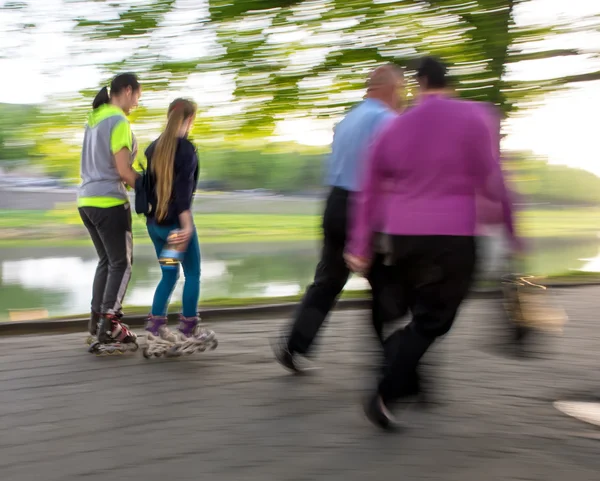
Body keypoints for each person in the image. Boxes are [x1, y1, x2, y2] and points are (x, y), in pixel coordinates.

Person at [344, 57, 518, 429]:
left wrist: (360, 242)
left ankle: (405, 376)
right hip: (453, 236)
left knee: (419, 313)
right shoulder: (476, 117)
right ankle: (387, 386)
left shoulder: (395, 126)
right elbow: (493, 178)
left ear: (419, 84)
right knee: (434, 320)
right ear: (448, 83)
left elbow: (370, 188)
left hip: (403, 237)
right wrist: (510, 228)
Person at [272, 64, 405, 372]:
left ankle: (294, 344)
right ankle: (395, 360)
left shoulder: (347, 120)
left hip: (335, 203)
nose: (401, 96)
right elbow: (392, 170)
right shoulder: (387, 120)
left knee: (328, 280)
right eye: (399, 89)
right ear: (386, 88)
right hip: (364, 208)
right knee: (387, 285)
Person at [142, 98, 217, 357]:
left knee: (169, 274)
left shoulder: (153, 148)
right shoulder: (186, 150)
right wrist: (186, 226)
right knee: (193, 274)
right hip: (176, 229)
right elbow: (183, 193)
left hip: (156, 227)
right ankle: (188, 330)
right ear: (190, 119)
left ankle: (155, 327)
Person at [78, 73, 142, 351]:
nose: (138, 101)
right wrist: (154, 188)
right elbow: (124, 172)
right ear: (127, 91)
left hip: (86, 202)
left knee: (106, 261)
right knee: (122, 263)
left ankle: (96, 323)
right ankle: (109, 324)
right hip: (110, 203)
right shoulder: (118, 121)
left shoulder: (93, 120)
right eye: (138, 95)